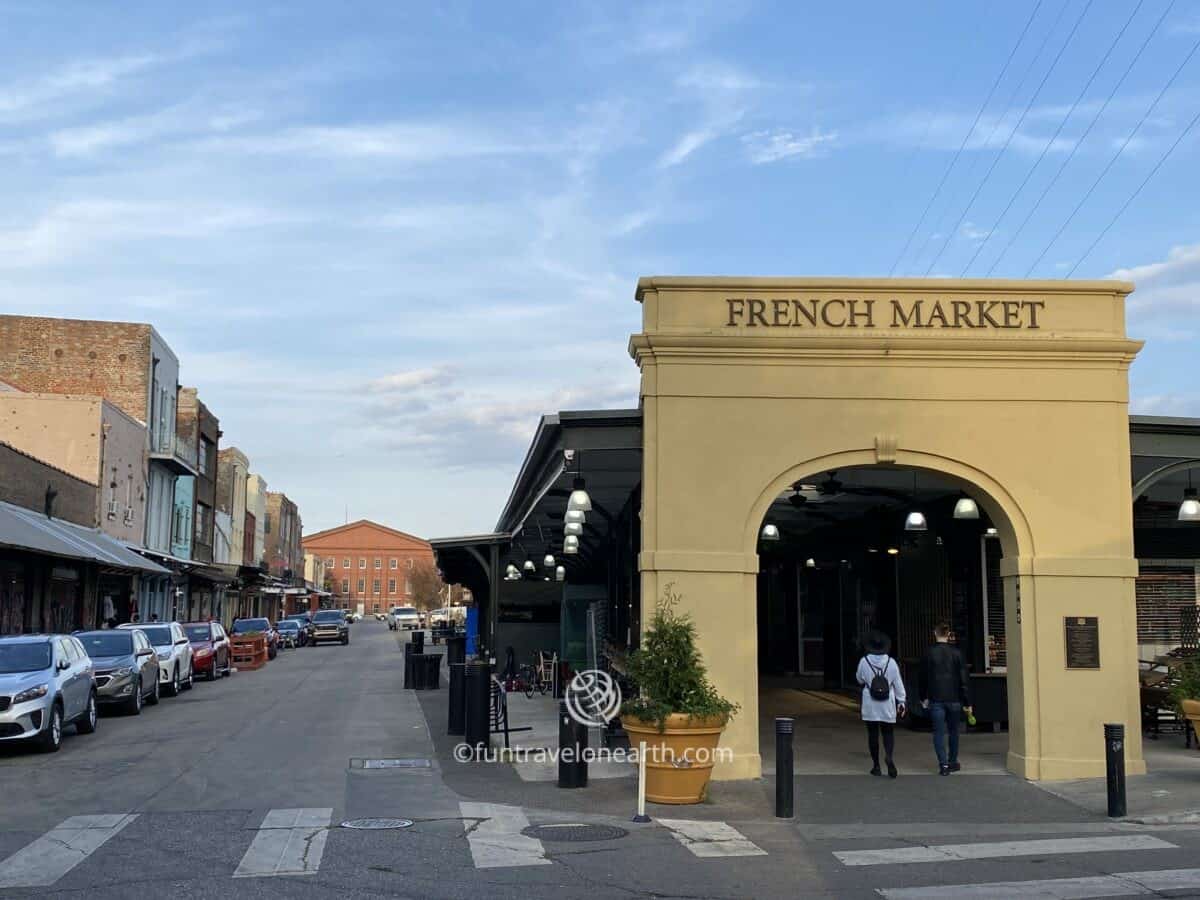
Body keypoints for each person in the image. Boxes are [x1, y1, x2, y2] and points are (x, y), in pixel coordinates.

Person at [919, 622, 973, 776]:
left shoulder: (928, 653)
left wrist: (923, 697)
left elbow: (922, 677)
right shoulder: (957, 653)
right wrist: (968, 702)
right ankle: (953, 761)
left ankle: (943, 765)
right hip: (954, 699)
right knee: (954, 731)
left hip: (935, 698)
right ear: (949, 634)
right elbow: (964, 680)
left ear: (934, 633)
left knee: (938, 732)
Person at [856, 630, 906, 778]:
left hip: (870, 702)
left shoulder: (864, 661)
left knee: (872, 734)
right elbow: (898, 683)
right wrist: (901, 701)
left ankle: (876, 766)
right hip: (887, 702)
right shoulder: (891, 662)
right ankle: (889, 756)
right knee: (888, 733)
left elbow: (859, 679)